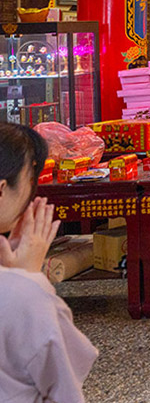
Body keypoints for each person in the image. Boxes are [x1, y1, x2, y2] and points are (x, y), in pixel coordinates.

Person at [0, 123, 97, 403]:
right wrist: (29, 279)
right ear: (3, 189)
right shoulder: (24, 294)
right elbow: (63, 381)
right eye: (31, 178)